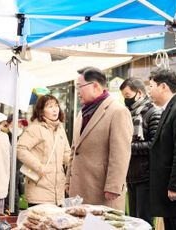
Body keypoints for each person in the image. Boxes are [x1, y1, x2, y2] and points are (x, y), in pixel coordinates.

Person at [66, 67, 133, 211]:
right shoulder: (82, 112)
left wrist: (113, 187)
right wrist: (68, 180)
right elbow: (74, 150)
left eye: (80, 87)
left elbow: (121, 153)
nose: (77, 92)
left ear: (95, 86)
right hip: (78, 189)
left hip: (102, 190)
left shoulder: (118, 111)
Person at [149, 68, 176, 230]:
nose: (149, 92)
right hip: (168, 194)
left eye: (151, 86)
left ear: (163, 86)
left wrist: (175, 186)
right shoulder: (170, 108)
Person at [119, 78, 161, 226]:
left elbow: (154, 145)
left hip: (146, 176)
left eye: (127, 95)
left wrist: (128, 146)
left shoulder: (153, 113)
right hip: (131, 176)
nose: (126, 100)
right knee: (133, 221)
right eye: (123, 96)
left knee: (144, 221)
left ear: (139, 93)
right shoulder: (129, 114)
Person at [17, 94, 71, 206]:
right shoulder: (35, 128)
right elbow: (20, 149)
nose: (55, 109)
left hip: (58, 193)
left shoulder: (60, 129)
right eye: (50, 106)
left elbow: (66, 153)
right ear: (41, 111)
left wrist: (75, 160)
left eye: (56, 105)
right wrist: (38, 166)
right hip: (39, 190)